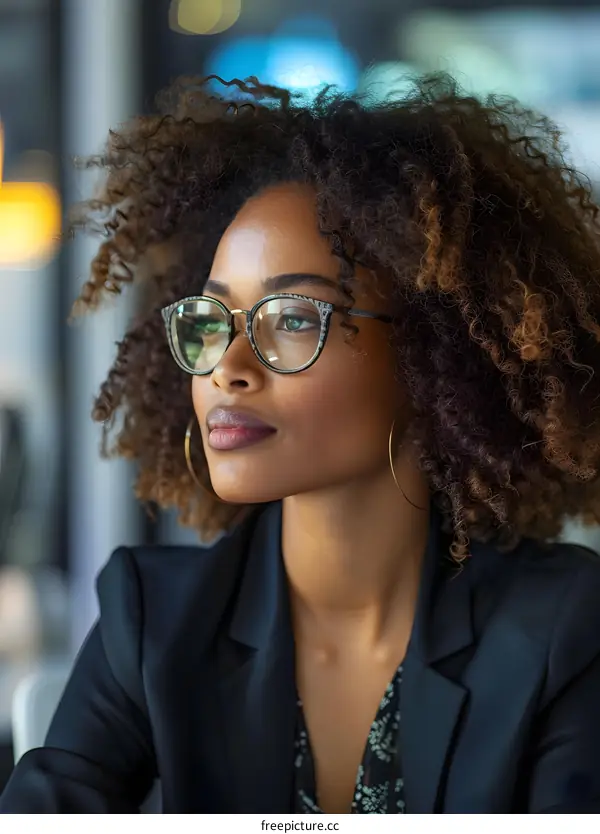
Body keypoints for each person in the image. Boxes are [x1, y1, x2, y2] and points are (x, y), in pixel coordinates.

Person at [3, 73, 600, 814]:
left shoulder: (560, 627)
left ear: (432, 354)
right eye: (212, 320)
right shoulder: (151, 619)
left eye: (292, 318)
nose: (228, 364)